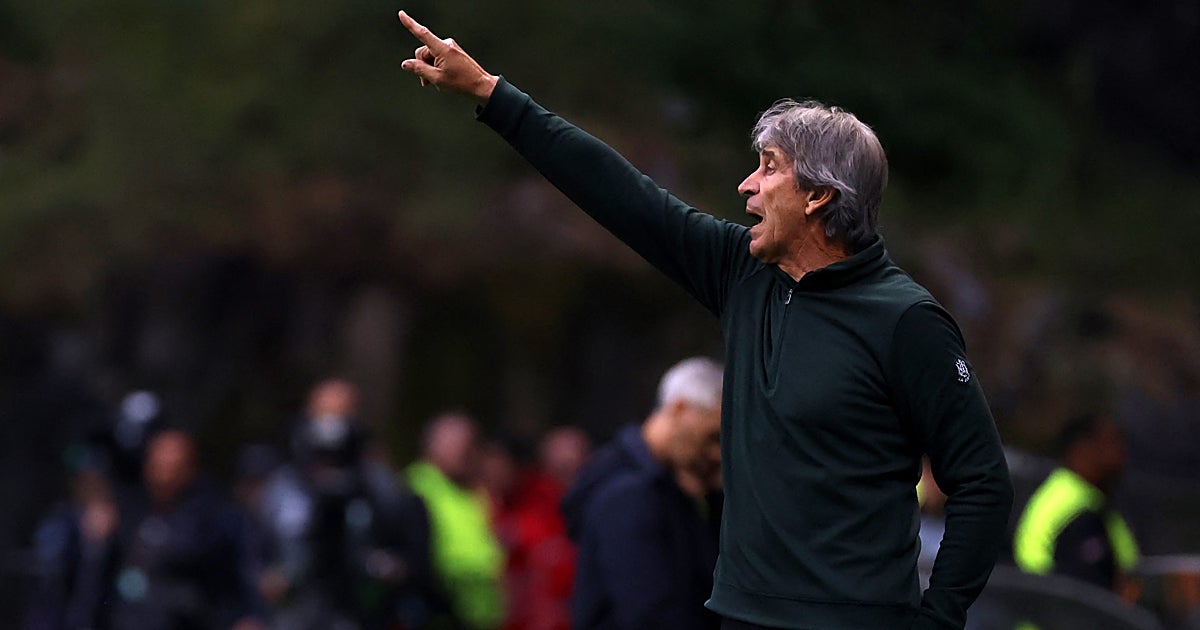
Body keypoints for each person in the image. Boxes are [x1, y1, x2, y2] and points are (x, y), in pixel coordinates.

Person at [394, 12, 1013, 629]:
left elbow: (982, 484)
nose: (747, 185)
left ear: (818, 195)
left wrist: (938, 619)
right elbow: (621, 193)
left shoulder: (907, 320)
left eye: (769, 167)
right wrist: (491, 94)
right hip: (739, 618)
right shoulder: (741, 274)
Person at [559, 357, 725, 630]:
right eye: (712, 437)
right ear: (681, 409)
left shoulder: (665, 484)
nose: (717, 454)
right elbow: (653, 615)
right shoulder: (628, 493)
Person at [258, 378, 433, 630]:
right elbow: (257, 549)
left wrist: (385, 567)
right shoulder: (285, 485)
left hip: (360, 611)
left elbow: (409, 549)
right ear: (308, 415)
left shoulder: (379, 486)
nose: (332, 427)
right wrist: (271, 578)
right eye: (325, 414)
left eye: (343, 414)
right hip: (297, 612)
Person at [1012, 412, 1141, 597]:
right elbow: (1088, 595)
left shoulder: (1083, 496)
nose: (1121, 455)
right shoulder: (1075, 510)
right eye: (1112, 443)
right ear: (1082, 450)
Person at [406, 411, 506, 629]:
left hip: (484, 615)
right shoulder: (416, 490)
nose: (464, 453)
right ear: (432, 446)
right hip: (439, 614)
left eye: (469, 445)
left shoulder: (477, 491)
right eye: (454, 444)